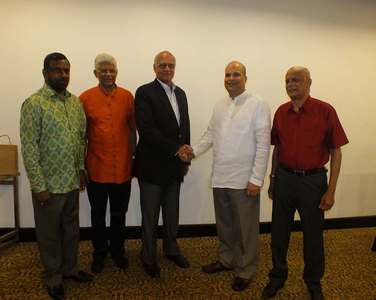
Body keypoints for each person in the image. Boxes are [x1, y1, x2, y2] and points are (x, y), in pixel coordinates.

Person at [182, 61, 271, 291]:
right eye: (227, 75)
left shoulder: (258, 104)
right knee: (225, 225)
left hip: (244, 180)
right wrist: (193, 151)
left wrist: (256, 179)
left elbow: (263, 144)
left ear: (245, 78)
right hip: (220, 176)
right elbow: (210, 134)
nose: (231, 78)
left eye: (236, 74)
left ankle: (246, 269)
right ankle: (227, 260)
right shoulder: (220, 105)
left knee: (246, 228)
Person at [262, 66, 349, 300]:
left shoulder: (325, 111)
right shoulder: (281, 112)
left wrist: (331, 191)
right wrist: (272, 179)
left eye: (296, 80)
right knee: (278, 233)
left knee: (313, 236)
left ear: (309, 83)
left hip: (313, 182)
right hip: (285, 180)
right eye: (288, 80)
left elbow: (336, 152)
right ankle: (277, 277)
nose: (291, 84)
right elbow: (277, 149)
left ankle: (313, 281)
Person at [20, 52, 93, 300]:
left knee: (71, 230)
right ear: (45, 73)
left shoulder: (74, 103)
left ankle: (70, 269)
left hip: (71, 182)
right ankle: (53, 277)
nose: (63, 75)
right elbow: (29, 148)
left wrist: (81, 169)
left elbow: (81, 139)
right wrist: (38, 185)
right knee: (49, 234)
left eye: (66, 71)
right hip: (48, 185)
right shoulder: (34, 104)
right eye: (57, 70)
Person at [134, 50, 191, 278]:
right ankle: (148, 257)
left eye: (171, 65)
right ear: (154, 67)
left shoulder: (181, 93)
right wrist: (176, 149)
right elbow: (146, 130)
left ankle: (171, 249)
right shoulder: (145, 92)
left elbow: (184, 126)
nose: (167, 69)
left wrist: (185, 152)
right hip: (151, 166)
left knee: (172, 212)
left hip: (175, 166)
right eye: (162, 65)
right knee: (150, 215)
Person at [80, 53, 136, 274]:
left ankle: (118, 252)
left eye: (111, 70)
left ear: (116, 72)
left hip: (122, 168)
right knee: (98, 214)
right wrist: (81, 167)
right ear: (96, 73)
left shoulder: (127, 97)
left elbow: (133, 130)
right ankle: (99, 253)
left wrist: (133, 158)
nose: (108, 74)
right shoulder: (84, 98)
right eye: (103, 70)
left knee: (119, 214)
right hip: (96, 169)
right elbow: (81, 136)